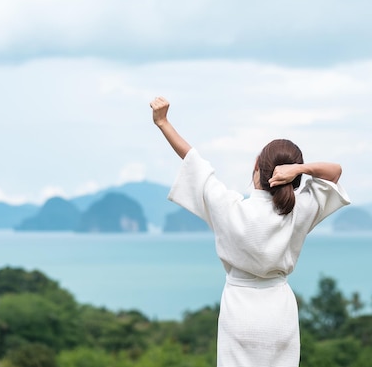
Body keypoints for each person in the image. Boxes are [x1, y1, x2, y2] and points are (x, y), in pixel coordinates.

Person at [150, 96, 351, 367]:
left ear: (256, 164)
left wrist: (162, 122)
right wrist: (301, 168)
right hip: (280, 314)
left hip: (239, 312)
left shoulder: (229, 208)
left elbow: (193, 160)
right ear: (294, 178)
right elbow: (335, 172)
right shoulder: (298, 210)